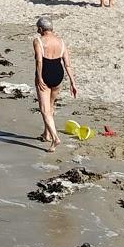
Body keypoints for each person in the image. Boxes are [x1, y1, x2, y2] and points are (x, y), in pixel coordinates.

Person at [33, 17, 75, 152]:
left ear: (40, 29)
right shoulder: (61, 42)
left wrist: (39, 77)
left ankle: (55, 137)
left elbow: (39, 61)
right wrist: (72, 82)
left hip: (45, 73)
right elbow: (67, 64)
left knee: (45, 110)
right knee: (51, 106)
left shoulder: (38, 41)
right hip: (58, 74)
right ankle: (46, 134)